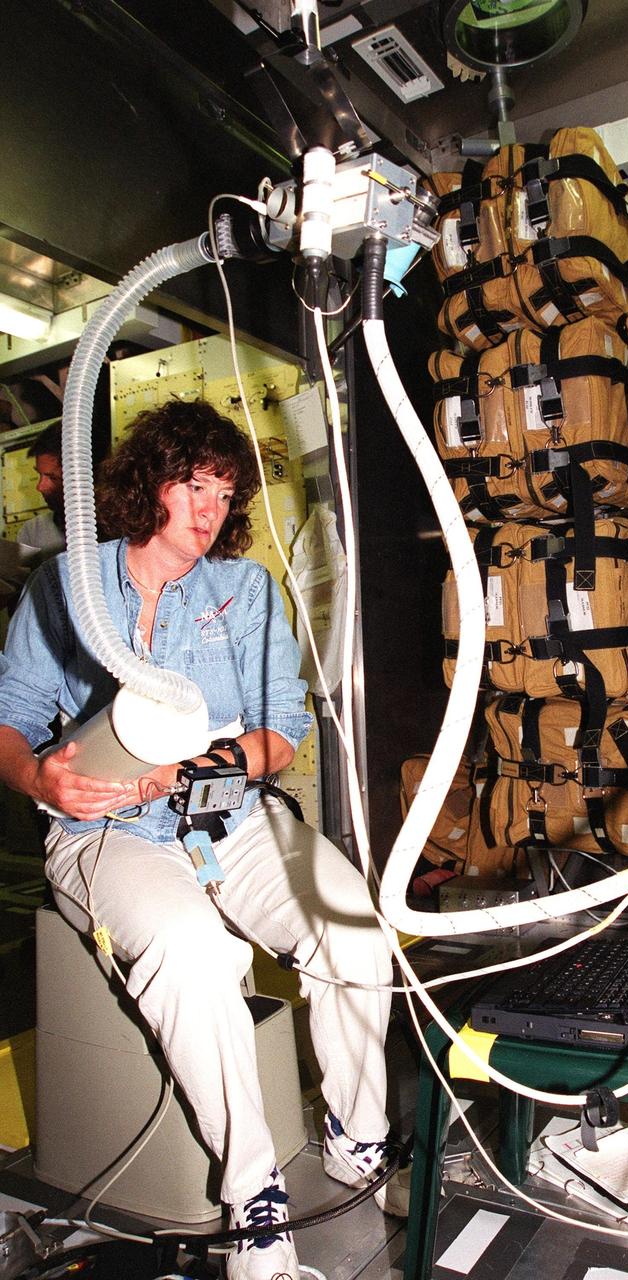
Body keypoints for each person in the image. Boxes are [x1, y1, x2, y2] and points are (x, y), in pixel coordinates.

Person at [0, 400, 403, 1280]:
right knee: (192, 953)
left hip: (230, 817)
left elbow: (284, 727)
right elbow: (10, 719)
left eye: (224, 493)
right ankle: (254, 1197)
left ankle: (357, 1137)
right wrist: (39, 779)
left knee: (353, 930)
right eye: (193, 485)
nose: (210, 509)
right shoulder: (67, 587)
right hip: (107, 828)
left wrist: (218, 760)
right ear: (149, 484)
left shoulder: (243, 591)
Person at [17, 421, 66, 563]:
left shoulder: (115, 528)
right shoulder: (32, 532)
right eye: (39, 474)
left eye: (53, 477)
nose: (40, 487)